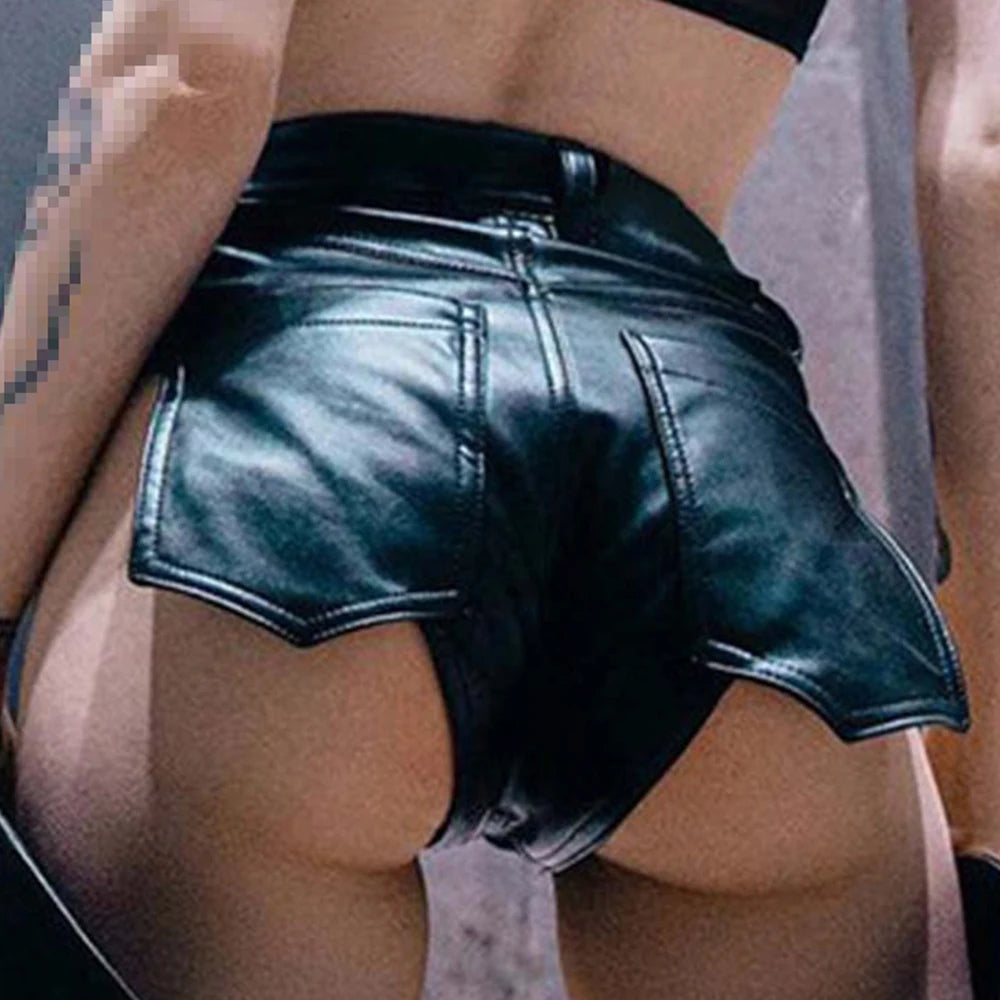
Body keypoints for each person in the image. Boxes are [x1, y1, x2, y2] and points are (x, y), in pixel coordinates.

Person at [0, 0, 977, 997]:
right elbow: (980, 166)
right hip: (719, 464)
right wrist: (982, 773)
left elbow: (184, 76)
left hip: (305, 425)